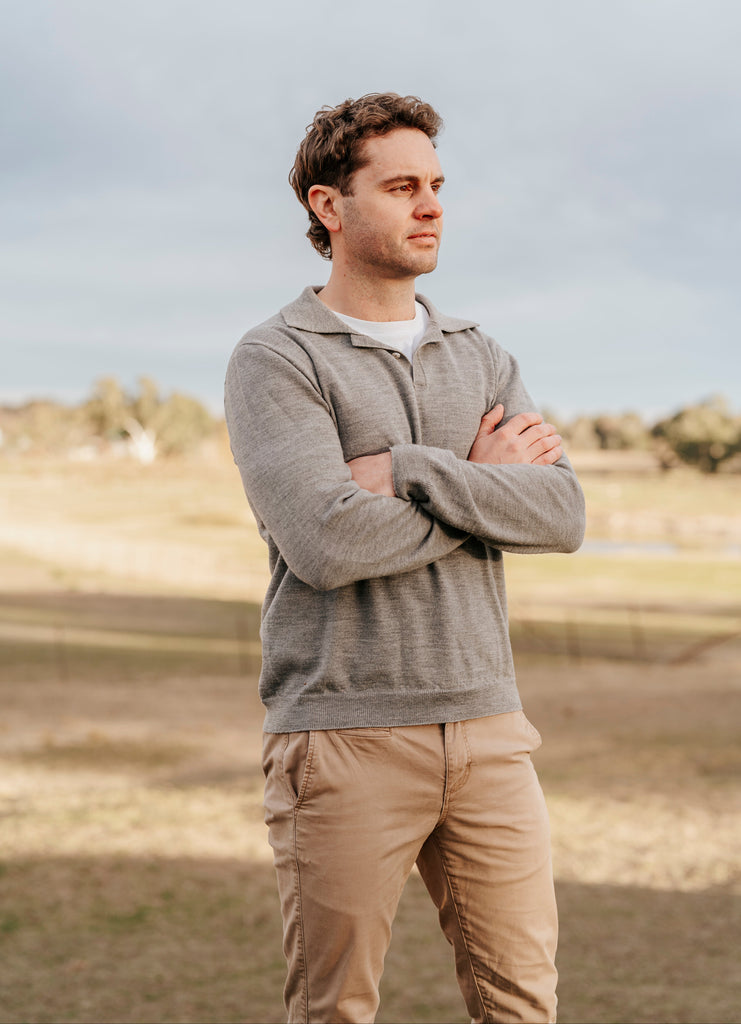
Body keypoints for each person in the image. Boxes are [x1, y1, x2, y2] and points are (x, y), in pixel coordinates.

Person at [225, 92, 585, 1024]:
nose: (430, 206)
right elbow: (327, 541)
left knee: (523, 1006)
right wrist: (482, 485)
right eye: (399, 187)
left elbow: (559, 513)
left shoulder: (480, 354)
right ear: (328, 205)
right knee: (335, 1011)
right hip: (343, 735)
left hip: (491, 729)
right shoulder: (276, 358)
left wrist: (414, 471)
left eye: (435, 185)